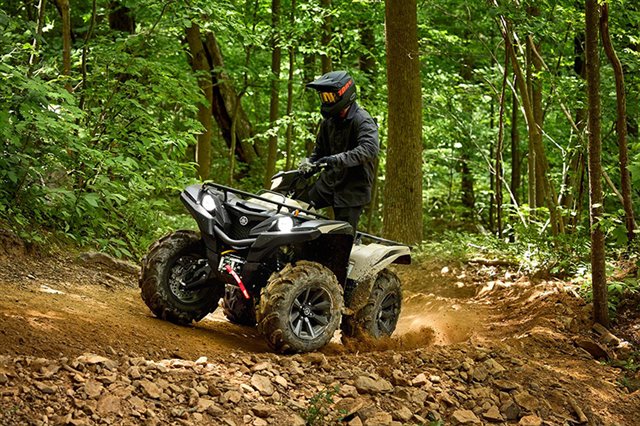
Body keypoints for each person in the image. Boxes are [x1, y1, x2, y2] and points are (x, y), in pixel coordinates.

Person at [299, 70, 379, 234]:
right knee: (296, 207)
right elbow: (319, 152)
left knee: (342, 238)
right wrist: (308, 165)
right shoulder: (328, 122)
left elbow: (370, 149)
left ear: (345, 94)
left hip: (352, 190)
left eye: (330, 97)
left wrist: (337, 159)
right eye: (323, 97)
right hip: (328, 184)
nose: (326, 101)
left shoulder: (362, 119)